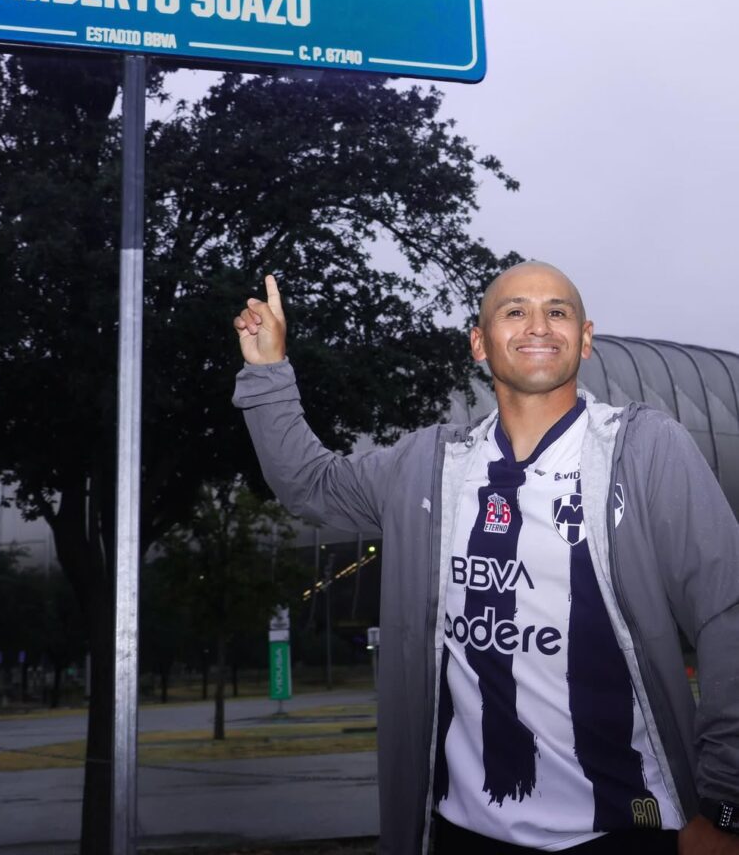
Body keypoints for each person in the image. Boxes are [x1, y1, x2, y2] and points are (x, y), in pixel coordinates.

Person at [232, 263, 739, 855]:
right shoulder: (431, 466)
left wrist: (724, 806)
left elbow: (727, 616)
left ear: (586, 337)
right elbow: (310, 484)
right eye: (514, 311)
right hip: (462, 831)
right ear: (479, 342)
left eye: (558, 311)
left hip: (624, 829)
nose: (539, 326)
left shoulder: (647, 450)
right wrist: (268, 370)